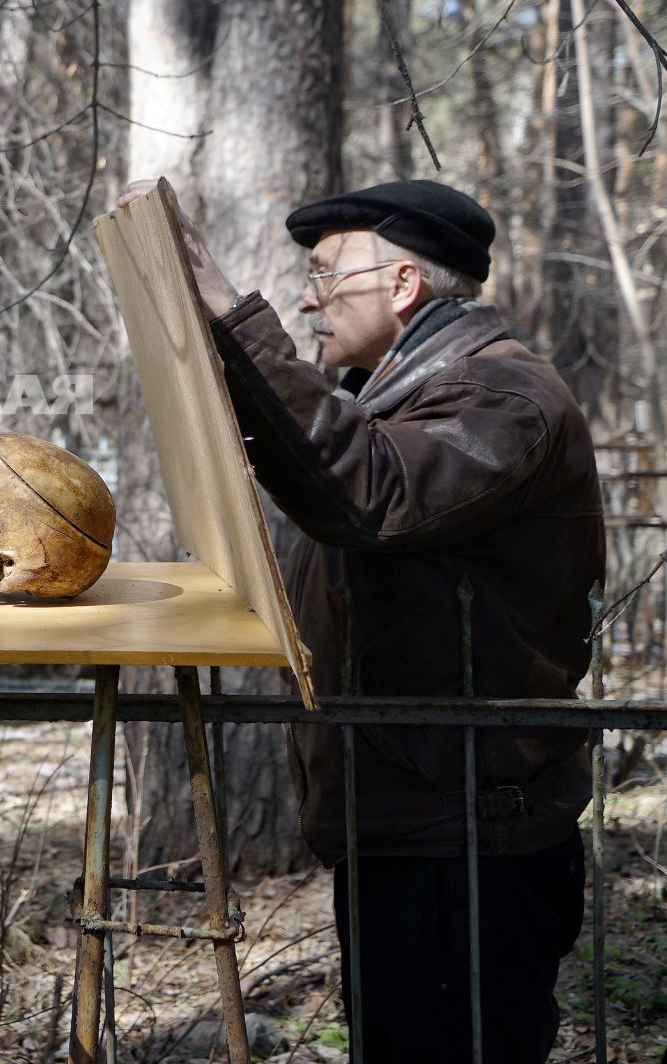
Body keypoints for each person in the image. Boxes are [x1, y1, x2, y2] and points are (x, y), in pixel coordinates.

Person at [120, 177, 601, 1062]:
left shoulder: (502, 398)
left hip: (467, 838)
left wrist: (231, 310)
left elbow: (365, 492)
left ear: (406, 284)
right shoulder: (409, 391)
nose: (307, 297)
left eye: (326, 274)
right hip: (415, 818)